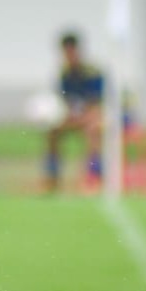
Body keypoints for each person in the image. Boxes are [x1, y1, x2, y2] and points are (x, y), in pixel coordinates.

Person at [43, 31, 104, 192]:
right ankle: (52, 178)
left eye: (71, 52)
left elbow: (96, 106)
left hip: (95, 117)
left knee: (93, 130)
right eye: (66, 53)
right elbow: (66, 102)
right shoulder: (64, 74)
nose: (68, 56)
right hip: (77, 117)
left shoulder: (92, 73)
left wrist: (81, 117)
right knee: (52, 131)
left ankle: (94, 176)